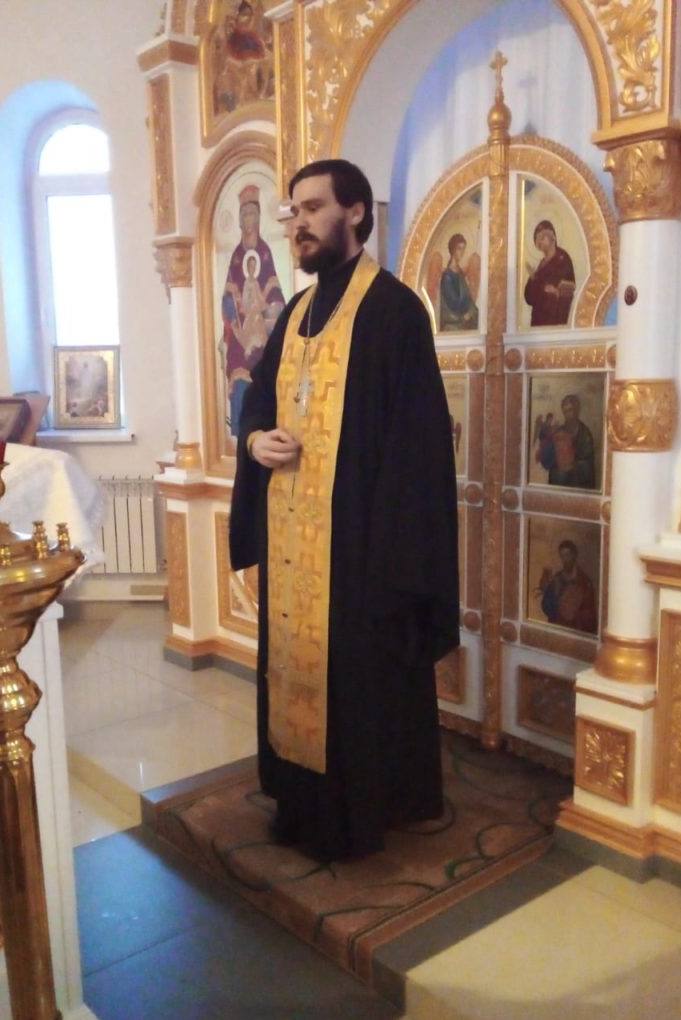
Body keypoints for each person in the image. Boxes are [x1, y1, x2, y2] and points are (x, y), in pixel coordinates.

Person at [229, 159, 460, 861]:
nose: (297, 224)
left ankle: (366, 811)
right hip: (293, 541)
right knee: (294, 673)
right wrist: (255, 440)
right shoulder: (296, 312)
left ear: (355, 212)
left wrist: (388, 554)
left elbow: (417, 446)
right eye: (293, 212)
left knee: (362, 685)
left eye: (311, 208)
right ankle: (301, 803)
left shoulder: (394, 311)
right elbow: (258, 400)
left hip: (362, 550)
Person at [220, 183, 285, 437]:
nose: (248, 220)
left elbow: (275, 293)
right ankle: (239, 429)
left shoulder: (265, 252)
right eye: (244, 214)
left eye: (252, 214)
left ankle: (268, 427)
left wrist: (268, 312)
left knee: (266, 366)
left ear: (258, 218)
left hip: (262, 328)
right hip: (240, 329)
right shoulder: (237, 255)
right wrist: (233, 308)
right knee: (237, 366)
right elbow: (227, 296)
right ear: (239, 220)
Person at [535, 393, 596, 489]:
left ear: (577, 410)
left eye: (570, 410)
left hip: (578, 484)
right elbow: (550, 459)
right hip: (559, 483)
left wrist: (570, 465)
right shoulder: (559, 432)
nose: (568, 414)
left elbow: (588, 467)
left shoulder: (585, 434)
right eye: (565, 411)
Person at [524, 219, 575, 326]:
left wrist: (553, 290)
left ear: (552, 237)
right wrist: (533, 279)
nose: (540, 243)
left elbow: (566, 287)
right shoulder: (541, 265)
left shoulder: (562, 259)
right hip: (538, 320)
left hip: (555, 319)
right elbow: (529, 298)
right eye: (538, 242)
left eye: (542, 238)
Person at [539, 539, 597, 634]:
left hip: (576, 631)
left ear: (574, 555)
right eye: (562, 556)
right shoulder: (557, 579)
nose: (565, 559)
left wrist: (574, 612)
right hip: (558, 628)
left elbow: (590, 615)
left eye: (568, 555)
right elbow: (546, 606)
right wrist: (552, 595)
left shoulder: (585, 582)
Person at [439, 233, 479, 331]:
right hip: (453, 322)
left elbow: (468, 298)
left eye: (463, 249)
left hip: (463, 320)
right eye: (459, 249)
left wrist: (471, 311)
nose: (462, 252)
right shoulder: (447, 276)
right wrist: (468, 312)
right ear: (453, 250)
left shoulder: (459, 273)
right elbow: (454, 302)